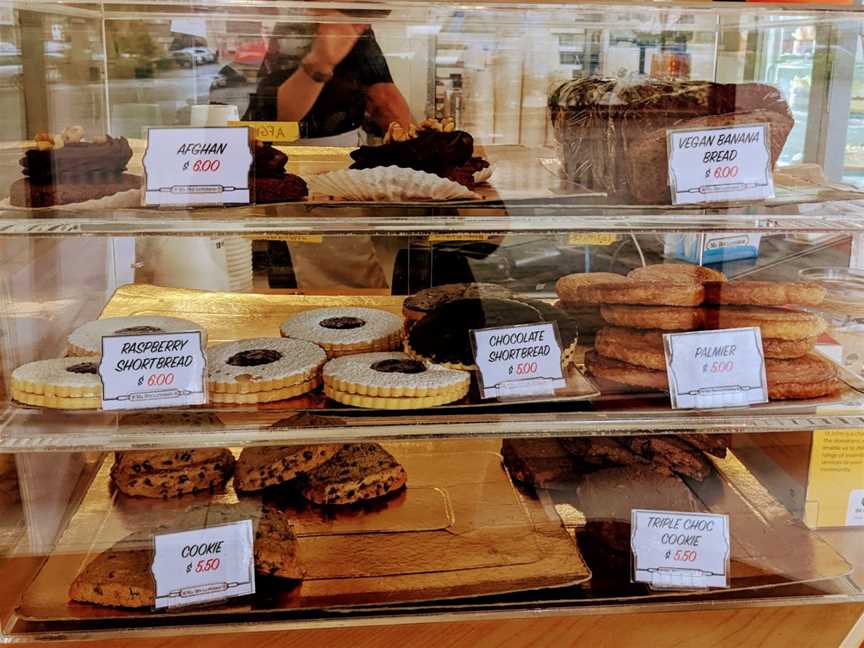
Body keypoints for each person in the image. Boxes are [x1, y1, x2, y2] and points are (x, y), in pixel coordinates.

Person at [244, 12, 414, 292]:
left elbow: (383, 98)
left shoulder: (308, 20)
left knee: (300, 261)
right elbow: (383, 101)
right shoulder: (333, 22)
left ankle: (299, 319)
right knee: (342, 271)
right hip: (318, 161)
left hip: (290, 159)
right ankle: (345, 327)